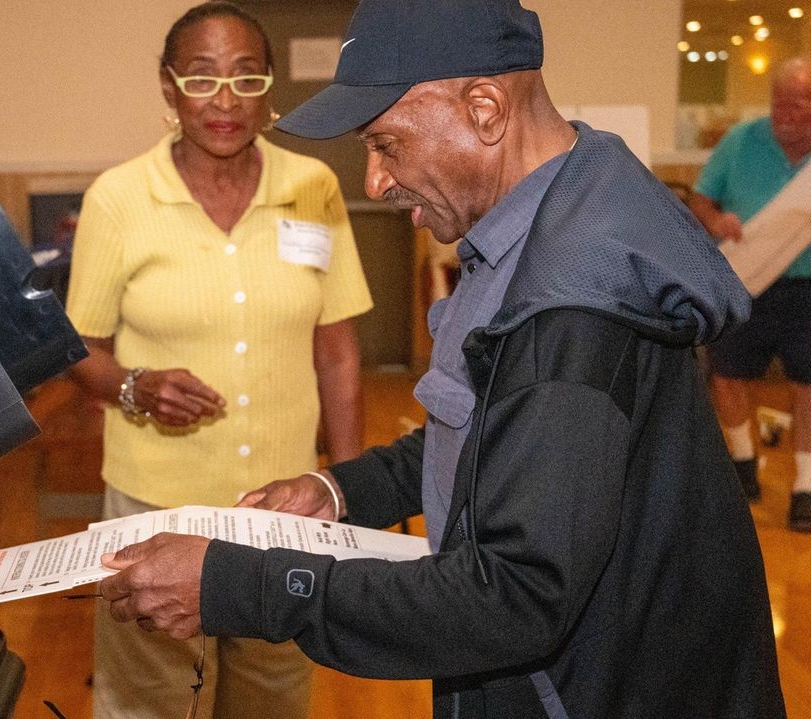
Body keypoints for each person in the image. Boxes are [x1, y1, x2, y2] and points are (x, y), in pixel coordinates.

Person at [96, 1, 787, 717]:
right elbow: (497, 431)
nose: (374, 182)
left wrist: (235, 586)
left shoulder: (573, 303)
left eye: (387, 145)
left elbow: (515, 594)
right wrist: (341, 490)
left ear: (486, 109)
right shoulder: (542, 215)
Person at [64, 2, 373, 717]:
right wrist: (136, 386)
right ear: (169, 88)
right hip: (155, 506)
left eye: (245, 76)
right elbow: (80, 349)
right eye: (202, 79)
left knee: (274, 693)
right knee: (153, 699)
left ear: (269, 88)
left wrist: (348, 491)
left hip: (282, 508)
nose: (225, 100)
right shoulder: (119, 199)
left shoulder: (313, 189)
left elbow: (337, 351)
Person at [688, 56, 811, 531]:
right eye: (782, 110)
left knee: (807, 384)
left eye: (801, 111)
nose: (791, 122)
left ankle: (804, 487)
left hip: (807, 288)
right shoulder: (741, 141)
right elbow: (701, 199)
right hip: (746, 279)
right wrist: (717, 222)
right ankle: (742, 471)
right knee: (728, 373)